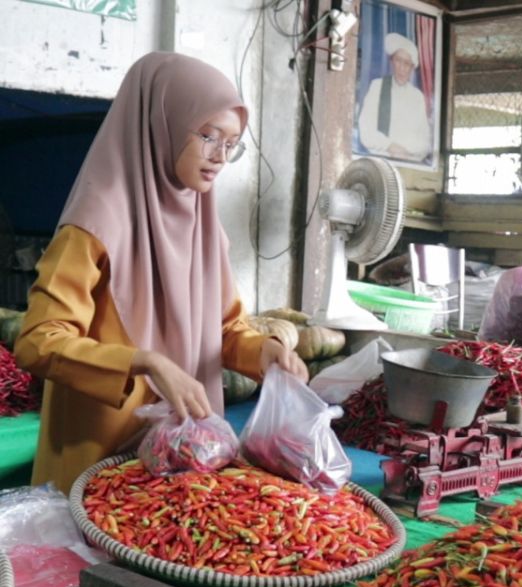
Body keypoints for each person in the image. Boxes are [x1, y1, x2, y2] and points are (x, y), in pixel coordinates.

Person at [14, 52, 306, 493]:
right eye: (208, 135)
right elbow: (38, 341)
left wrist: (262, 353)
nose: (220, 157)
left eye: (231, 143)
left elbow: (226, 329)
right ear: (161, 124)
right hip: (100, 460)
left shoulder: (206, 230)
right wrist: (141, 362)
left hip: (186, 458)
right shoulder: (94, 226)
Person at [357, 32, 432, 163]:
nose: (401, 68)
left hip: (410, 161)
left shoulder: (417, 96)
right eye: (398, 61)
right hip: (379, 161)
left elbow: (424, 142)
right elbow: (365, 129)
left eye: (407, 63)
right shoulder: (378, 86)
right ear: (391, 61)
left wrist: (404, 151)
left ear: (412, 67)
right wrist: (390, 146)